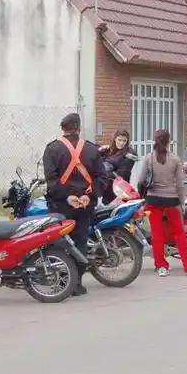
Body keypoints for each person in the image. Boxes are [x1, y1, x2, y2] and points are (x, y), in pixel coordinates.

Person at [42, 113, 106, 296]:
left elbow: (51, 181)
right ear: (79, 128)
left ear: (63, 128)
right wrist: (89, 195)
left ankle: (62, 282)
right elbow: (102, 177)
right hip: (85, 205)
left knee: (59, 241)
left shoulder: (52, 149)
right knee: (80, 241)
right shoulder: (92, 150)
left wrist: (67, 197)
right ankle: (76, 284)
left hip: (61, 204)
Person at [137, 129, 187, 277]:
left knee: (157, 233)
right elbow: (180, 184)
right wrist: (182, 202)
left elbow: (141, 180)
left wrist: (142, 195)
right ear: (169, 141)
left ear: (155, 140)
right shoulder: (175, 159)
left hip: (153, 200)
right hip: (172, 200)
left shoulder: (148, 158)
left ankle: (161, 266)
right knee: (179, 233)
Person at [99, 129, 137, 204]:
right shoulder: (110, 150)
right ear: (115, 139)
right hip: (107, 189)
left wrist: (106, 170)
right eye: (119, 140)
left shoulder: (129, 153)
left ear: (127, 141)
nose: (121, 143)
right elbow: (98, 163)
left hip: (120, 190)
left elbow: (123, 174)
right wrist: (100, 151)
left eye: (124, 141)